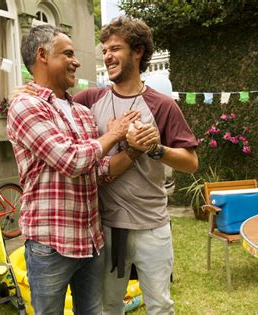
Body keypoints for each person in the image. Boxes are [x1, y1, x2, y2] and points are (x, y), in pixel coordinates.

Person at [6, 24, 158, 314]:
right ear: (42, 56)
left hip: (91, 241)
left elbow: (97, 170)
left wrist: (134, 151)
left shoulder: (81, 111)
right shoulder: (26, 105)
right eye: (68, 54)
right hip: (50, 243)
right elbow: (71, 160)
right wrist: (114, 134)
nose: (77, 61)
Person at [73, 16, 199, 314]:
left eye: (115, 48)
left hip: (151, 225)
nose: (107, 56)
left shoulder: (162, 105)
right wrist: (31, 90)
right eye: (104, 49)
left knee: (160, 305)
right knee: (109, 305)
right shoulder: (90, 99)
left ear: (138, 52)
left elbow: (191, 162)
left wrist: (156, 149)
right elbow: (53, 105)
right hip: (107, 226)